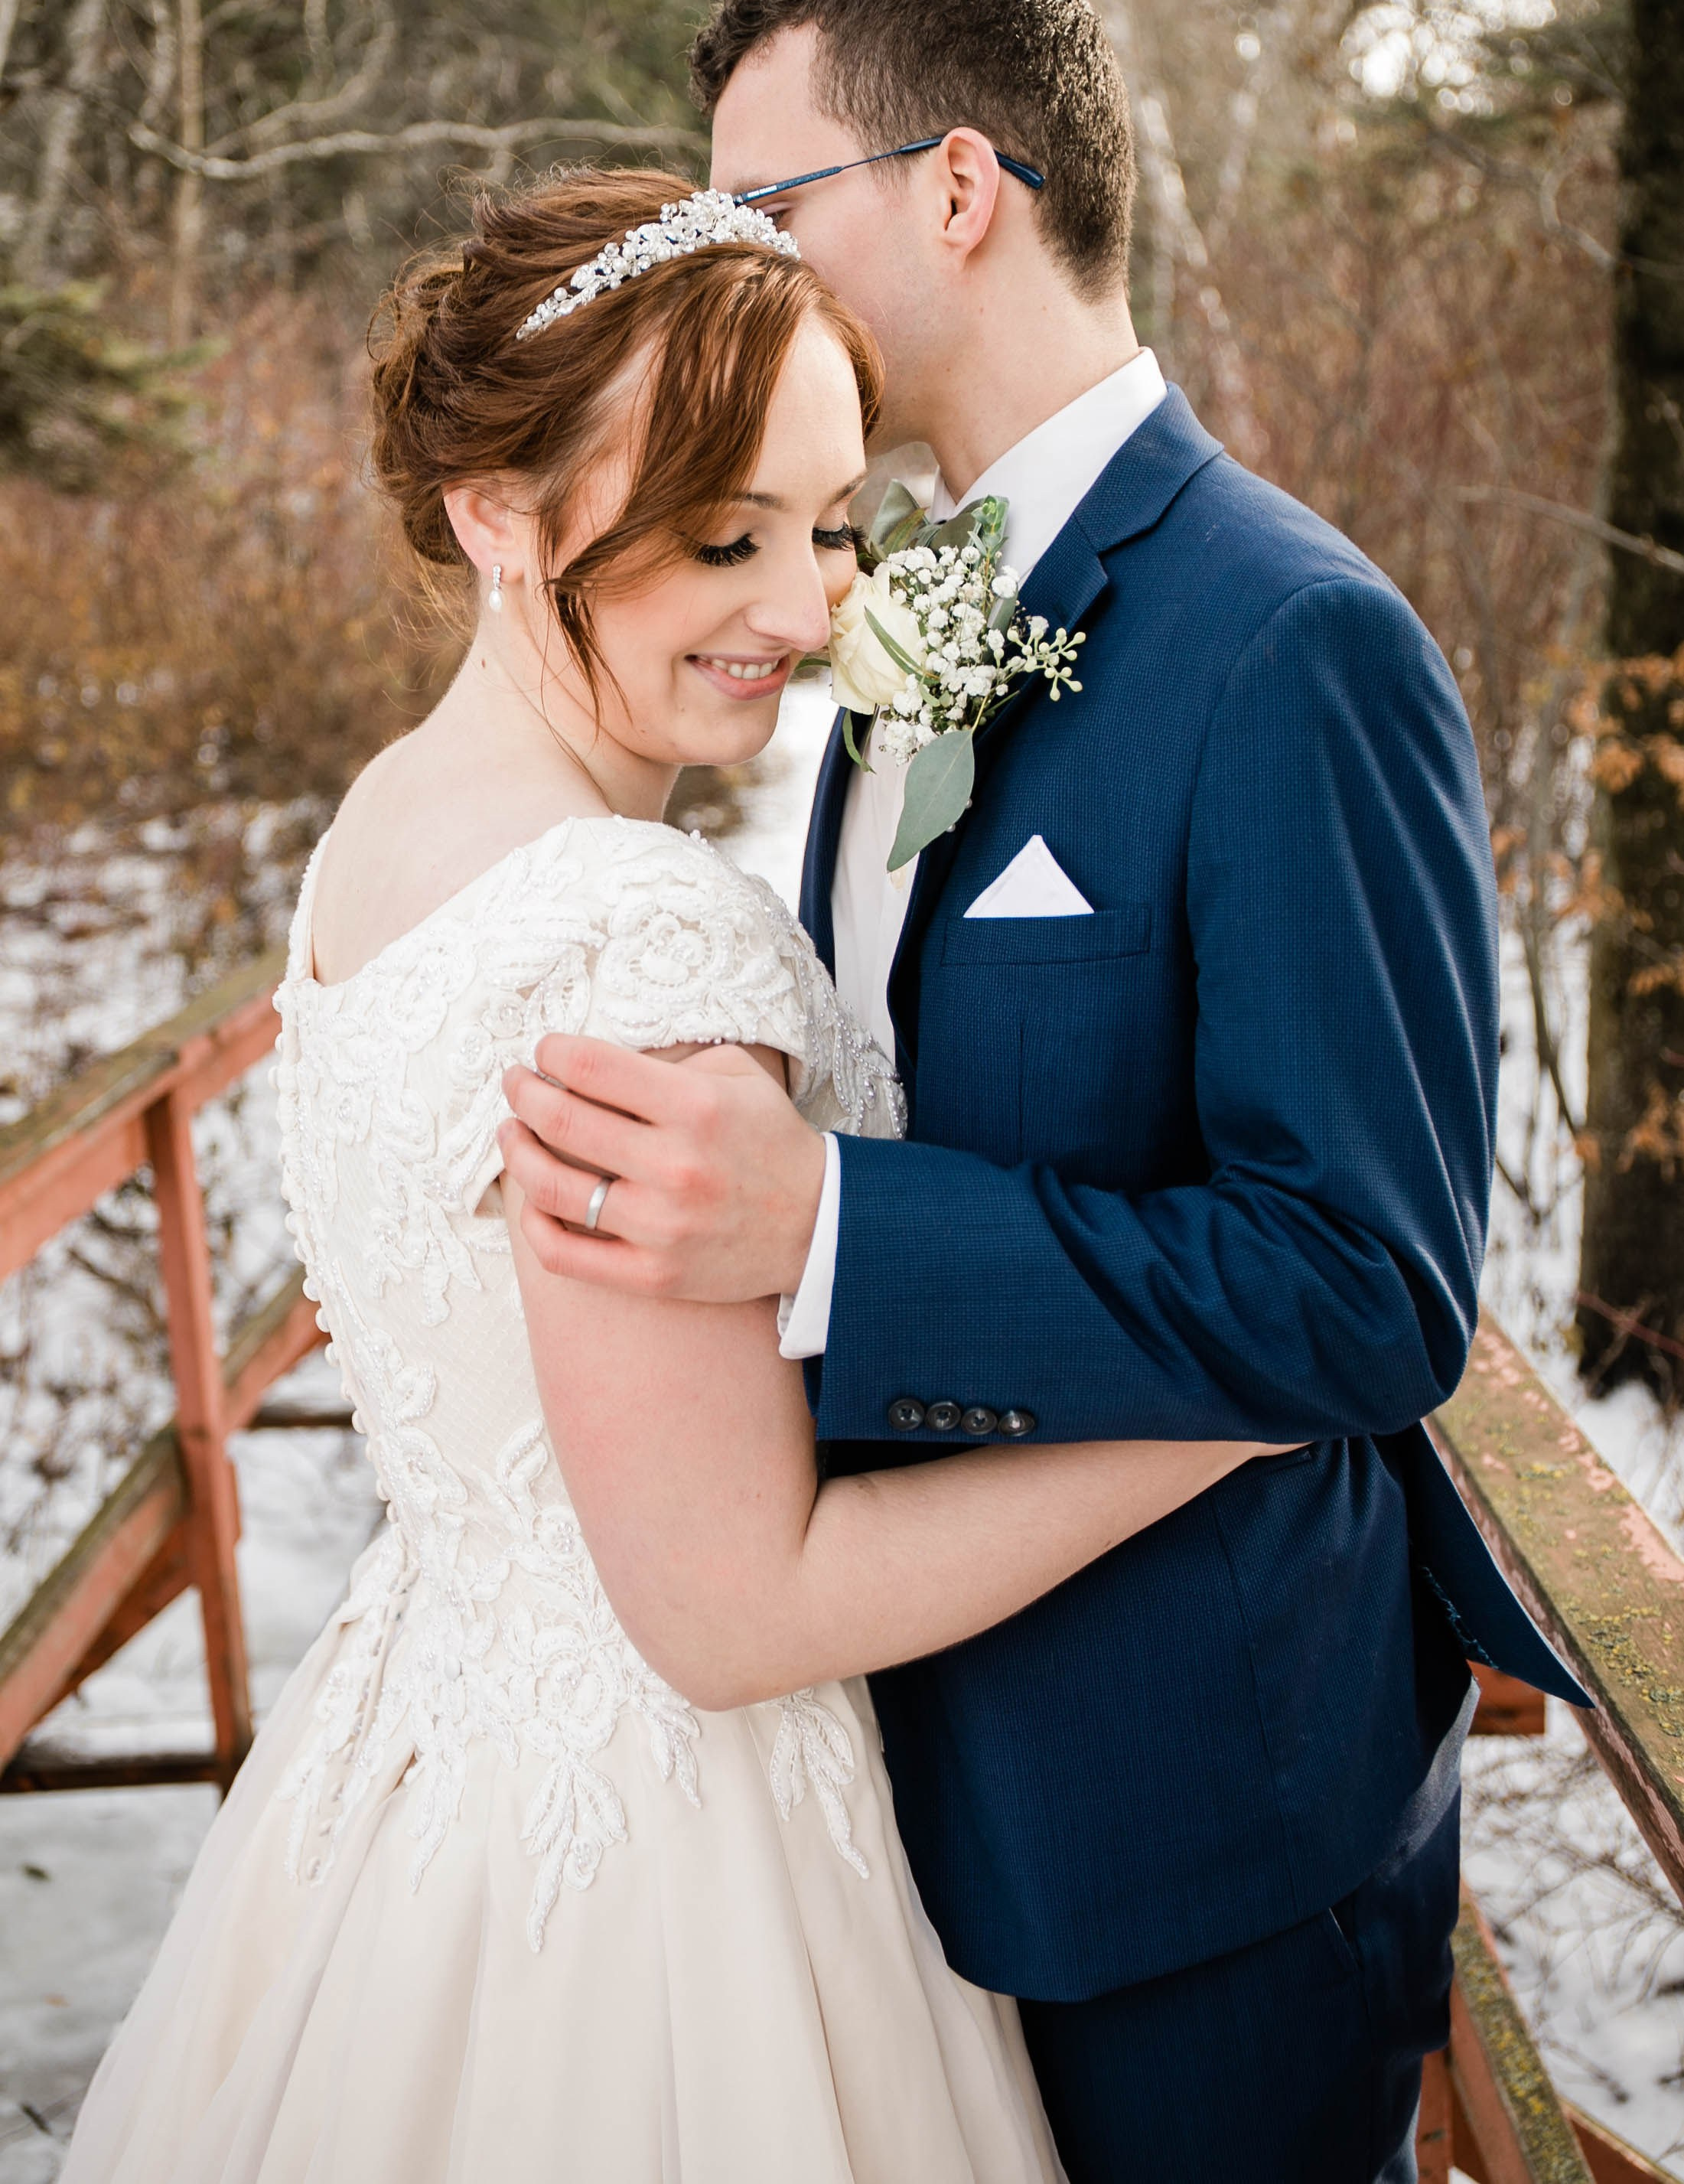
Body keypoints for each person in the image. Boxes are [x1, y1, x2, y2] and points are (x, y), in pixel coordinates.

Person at [59, 167, 1298, 2184]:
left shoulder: (386, 831)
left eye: (828, 526)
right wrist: (1232, 1407)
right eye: (723, 537)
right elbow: (734, 1609)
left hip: (414, 1768)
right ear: (498, 516)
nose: (809, 610)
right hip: (664, 1882)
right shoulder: (637, 938)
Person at [498, 0, 1587, 2184]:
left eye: (764, 211)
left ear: (957, 188)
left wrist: (829, 1229)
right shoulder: (910, 606)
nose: (735, 275)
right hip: (890, 1782)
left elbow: (1364, 1291)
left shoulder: (1288, 644)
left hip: (1188, 1828)